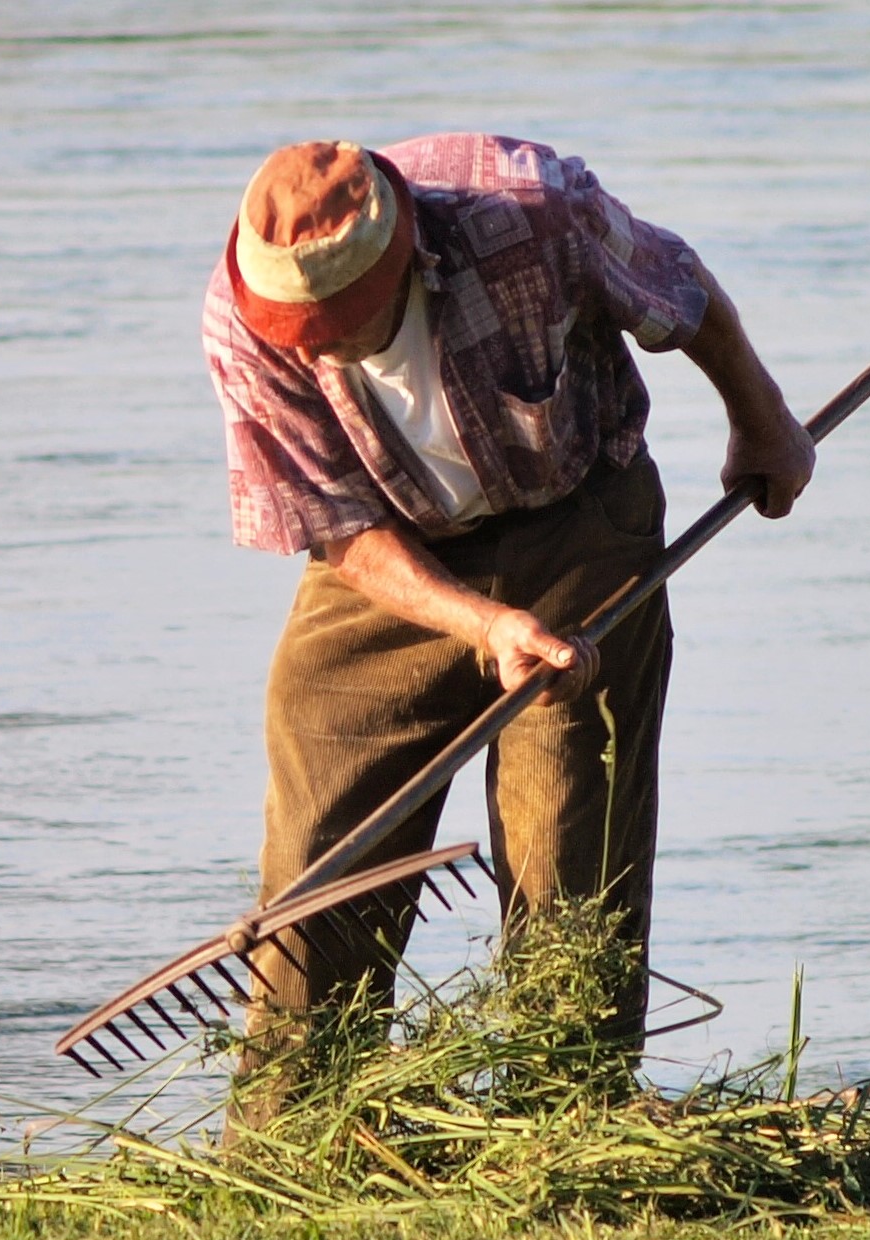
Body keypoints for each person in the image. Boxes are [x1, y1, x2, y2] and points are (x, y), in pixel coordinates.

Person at [202, 133, 813, 1118]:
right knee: (321, 857)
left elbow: (681, 289)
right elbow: (336, 525)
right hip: (384, 562)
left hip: (578, 522)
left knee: (572, 842)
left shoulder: (533, 215)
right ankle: (295, 1133)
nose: (310, 346)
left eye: (332, 325)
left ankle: (563, 1122)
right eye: (296, 329)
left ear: (404, 259)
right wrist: (482, 620)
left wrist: (763, 416)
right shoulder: (244, 315)